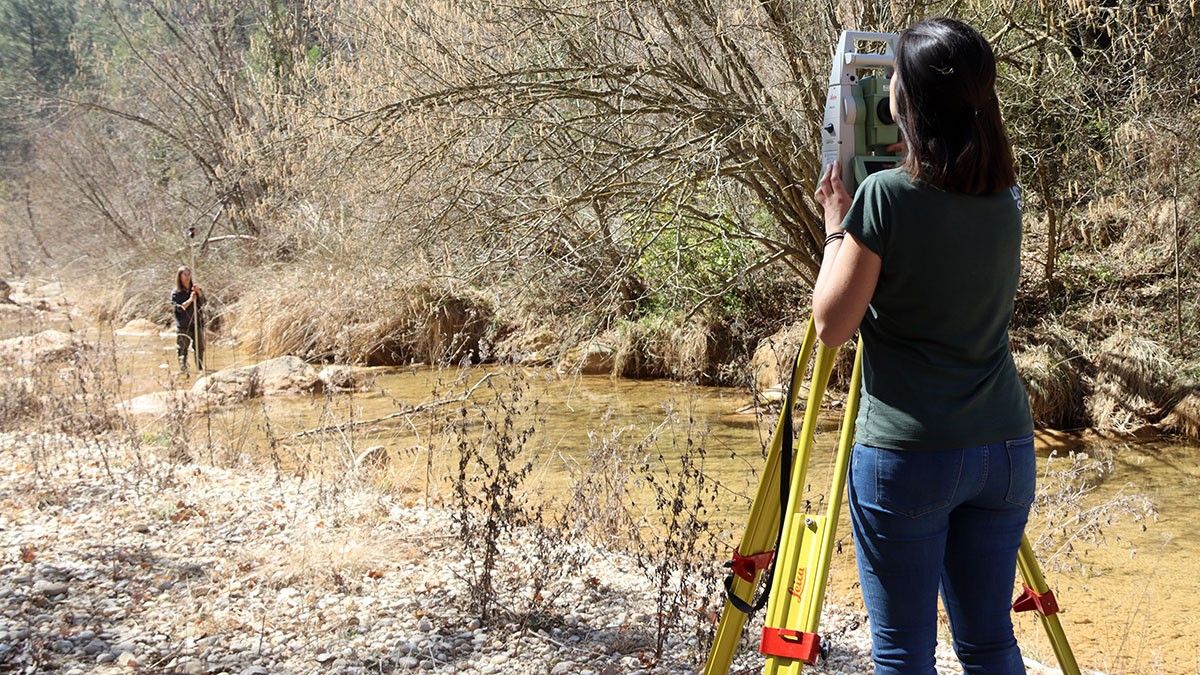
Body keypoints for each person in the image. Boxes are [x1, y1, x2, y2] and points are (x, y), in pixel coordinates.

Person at [811, 18, 1035, 675]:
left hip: (909, 456)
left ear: (907, 103)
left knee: (905, 650)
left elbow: (832, 324)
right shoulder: (1009, 198)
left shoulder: (884, 199)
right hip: (1003, 449)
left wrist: (835, 226)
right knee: (990, 642)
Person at [171, 266, 206, 373]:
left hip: (197, 323)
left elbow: (204, 303)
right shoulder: (176, 293)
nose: (187, 277)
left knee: (199, 348)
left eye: (188, 274)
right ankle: (184, 371)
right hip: (183, 325)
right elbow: (179, 309)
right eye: (184, 274)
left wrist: (199, 293)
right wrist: (191, 299)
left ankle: (200, 370)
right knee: (182, 350)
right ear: (180, 276)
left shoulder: (195, 289)